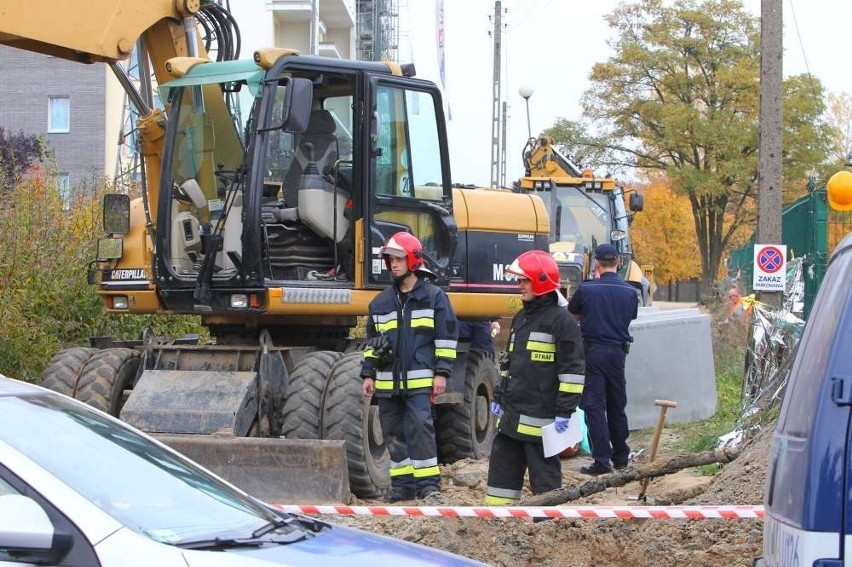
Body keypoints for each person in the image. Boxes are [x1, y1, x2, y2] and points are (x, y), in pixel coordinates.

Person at [360, 232, 459, 503]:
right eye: (390, 259)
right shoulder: (379, 303)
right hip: (388, 383)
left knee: (420, 431)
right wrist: (368, 372)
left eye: (398, 259)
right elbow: (373, 342)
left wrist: (442, 372)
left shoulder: (434, 297)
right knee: (393, 435)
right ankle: (403, 487)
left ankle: (428, 486)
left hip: (419, 382)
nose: (393, 264)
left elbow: (446, 336)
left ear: (413, 260)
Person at [485, 250, 585, 505]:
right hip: (511, 418)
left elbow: (572, 371)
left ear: (540, 281)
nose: (520, 286)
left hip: (542, 423)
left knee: (545, 484)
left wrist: (565, 411)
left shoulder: (562, 323)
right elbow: (508, 362)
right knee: (501, 477)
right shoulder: (521, 318)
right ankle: (498, 523)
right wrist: (499, 395)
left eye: (524, 281)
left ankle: (547, 529)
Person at [567, 243, 639, 475]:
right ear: (618, 262)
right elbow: (630, 317)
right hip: (618, 353)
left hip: (593, 352)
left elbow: (573, 313)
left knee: (594, 406)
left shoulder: (587, 289)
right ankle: (621, 456)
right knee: (617, 404)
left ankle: (601, 460)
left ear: (596, 262)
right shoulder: (630, 292)